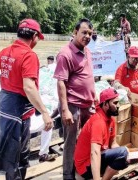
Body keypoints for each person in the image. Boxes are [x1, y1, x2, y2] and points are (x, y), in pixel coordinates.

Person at [0, 18, 54, 180]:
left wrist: (2, 80)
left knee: (13, 155)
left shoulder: (6, 51)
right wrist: (44, 112)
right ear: (34, 35)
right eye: (38, 38)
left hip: (4, 107)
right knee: (16, 157)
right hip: (17, 111)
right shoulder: (29, 55)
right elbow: (29, 87)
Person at [54, 18, 96, 180]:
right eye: (84, 32)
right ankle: (68, 175)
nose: (87, 36)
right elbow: (61, 82)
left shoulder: (88, 51)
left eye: (90, 34)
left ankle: (83, 170)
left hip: (87, 105)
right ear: (75, 32)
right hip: (73, 106)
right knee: (70, 143)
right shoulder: (65, 54)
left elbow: (88, 77)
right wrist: (64, 109)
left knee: (87, 140)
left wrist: (94, 96)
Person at [74, 88, 129, 180]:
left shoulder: (111, 119)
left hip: (99, 155)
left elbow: (113, 143)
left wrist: (125, 154)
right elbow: (94, 152)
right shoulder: (98, 122)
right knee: (122, 152)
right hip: (85, 166)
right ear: (105, 104)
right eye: (115, 103)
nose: (118, 106)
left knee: (125, 155)